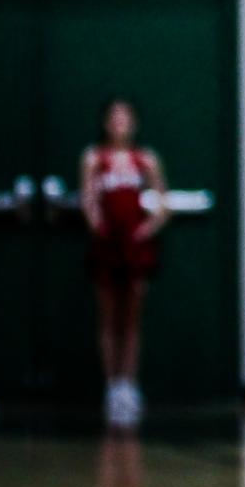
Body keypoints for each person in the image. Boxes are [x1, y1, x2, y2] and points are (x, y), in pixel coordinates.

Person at [80, 98, 170, 427]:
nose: (120, 122)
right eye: (114, 117)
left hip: (135, 247)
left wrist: (147, 228)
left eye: (125, 117)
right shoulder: (95, 158)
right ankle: (111, 384)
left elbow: (162, 201)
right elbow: (88, 198)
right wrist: (97, 225)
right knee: (107, 316)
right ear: (105, 122)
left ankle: (128, 385)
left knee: (131, 318)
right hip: (107, 245)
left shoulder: (145, 159)